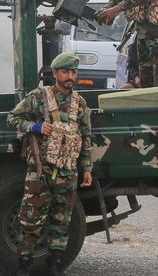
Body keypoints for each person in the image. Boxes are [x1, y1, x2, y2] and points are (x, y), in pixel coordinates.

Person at [7, 52, 94, 276]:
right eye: (65, 72)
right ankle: (23, 265)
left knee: (61, 221)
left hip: (68, 172)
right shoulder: (39, 96)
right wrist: (35, 127)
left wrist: (87, 169)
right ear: (55, 73)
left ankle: (55, 265)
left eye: (73, 72)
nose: (70, 76)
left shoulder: (80, 104)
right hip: (41, 170)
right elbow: (12, 118)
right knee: (30, 220)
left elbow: (85, 138)